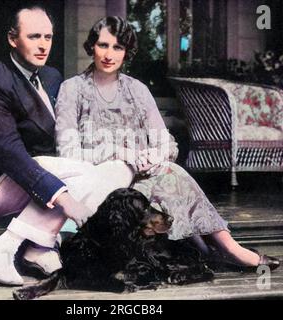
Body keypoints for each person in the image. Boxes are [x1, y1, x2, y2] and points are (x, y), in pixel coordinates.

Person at [54, 16, 280, 272]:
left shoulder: (137, 90)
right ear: (91, 46)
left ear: (127, 51)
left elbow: (165, 142)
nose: (109, 54)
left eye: (118, 47)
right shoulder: (72, 89)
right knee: (173, 176)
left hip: (144, 179)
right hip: (103, 184)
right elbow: (68, 152)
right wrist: (120, 153)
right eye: (103, 45)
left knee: (170, 171)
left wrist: (154, 156)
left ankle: (221, 249)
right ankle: (226, 249)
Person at [0, 6, 133, 286]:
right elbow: (12, 157)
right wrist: (66, 200)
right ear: (13, 39)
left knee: (120, 170)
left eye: (48, 37)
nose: (43, 45)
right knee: (89, 174)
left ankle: (36, 247)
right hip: (1, 183)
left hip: (44, 175)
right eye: (34, 36)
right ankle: (1, 249)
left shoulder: (52, 77)